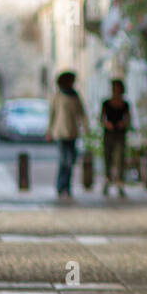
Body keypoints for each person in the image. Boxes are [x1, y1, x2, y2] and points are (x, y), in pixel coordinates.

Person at [48, 71, 87, 200]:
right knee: (64, 160)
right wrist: (49, 130)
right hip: (60, 132)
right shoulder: (57, 96)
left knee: (71, 160)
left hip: (72, 132)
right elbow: (52, 114)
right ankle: (61, 186)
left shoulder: (75, 96)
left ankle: (67, 186)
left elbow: (82, 113)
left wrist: (86, 129)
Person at [100, 78, 131, 197]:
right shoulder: (106, 103)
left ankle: (119, 182)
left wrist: (123, 123)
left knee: (120, 158)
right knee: (108, 157)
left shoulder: (125, 104)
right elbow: (101, 118)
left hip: (120, 134)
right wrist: (106, 124)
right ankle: (108, 180)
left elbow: (128, 118)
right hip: (108, 133)